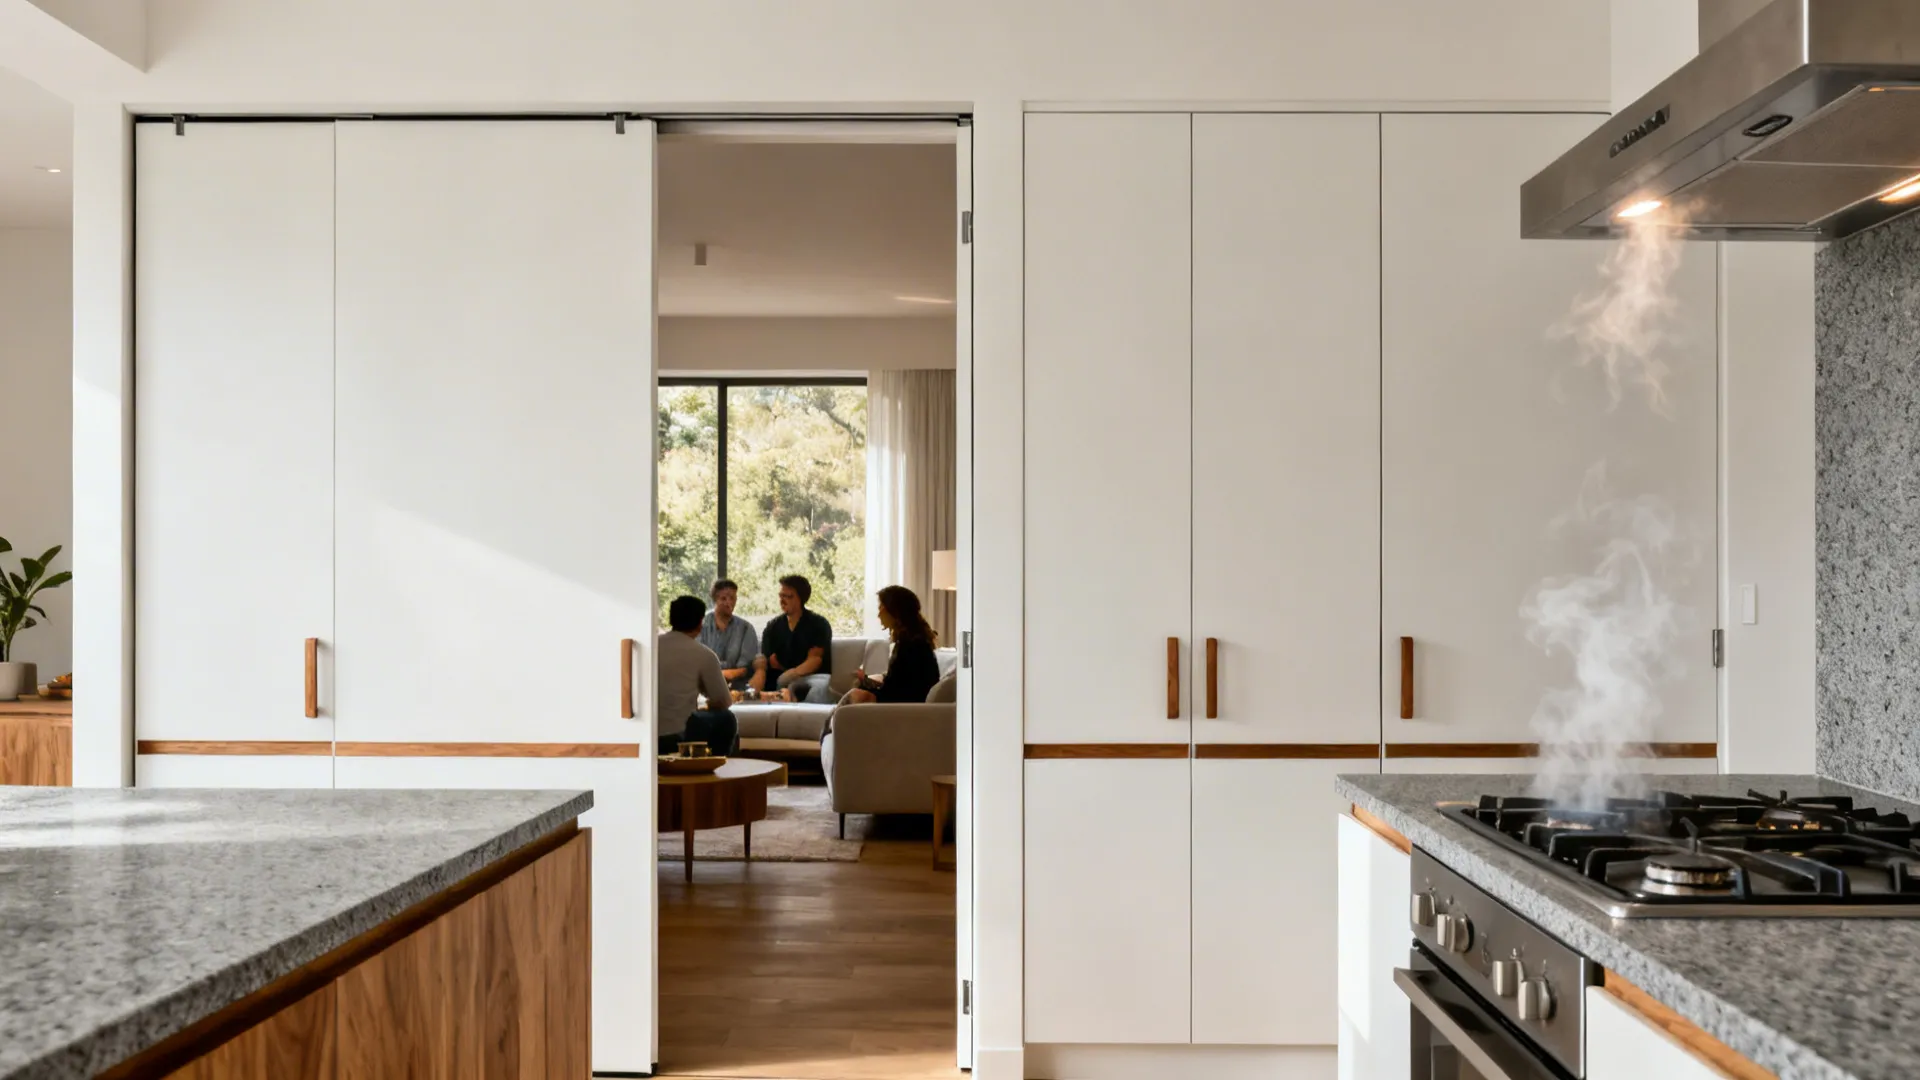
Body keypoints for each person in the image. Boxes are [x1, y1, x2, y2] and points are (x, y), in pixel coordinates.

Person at [657, 595, 739, 756]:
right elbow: (724, 701)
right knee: (726, 719)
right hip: (678, 736)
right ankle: (714, 769)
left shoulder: (652, 647)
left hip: (646, 731)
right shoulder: (703, 654)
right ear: (700, 622)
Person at [844, 585, 941, 705]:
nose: (878, 614)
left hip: (902, 707)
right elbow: (899, 682)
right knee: (860, 688)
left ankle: (831, 723)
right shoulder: (914, 641)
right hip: (904, 701)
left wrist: (866, 685)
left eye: (881, 607)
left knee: (855, 693)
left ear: (894, 611)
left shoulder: (910, 646)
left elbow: (894, 692)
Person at [750, 574, 834, 703]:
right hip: (778, 682)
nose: (782, 600)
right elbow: (771, 661)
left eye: (788, 596)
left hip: (811, 678)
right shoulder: (773, 626)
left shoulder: (819, 624)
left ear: (801, 599)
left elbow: (815, 660)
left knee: (819, 687)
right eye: (781, 596)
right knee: (776, 682)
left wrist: (792, 673)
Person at [698, 578, 759, 690]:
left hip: (736, 686)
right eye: (724, 598)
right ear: (715, 599)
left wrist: (725, 675)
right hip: (703, 684)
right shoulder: (700, 625)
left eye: (732, 598)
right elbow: (696, 661)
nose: (729, 602)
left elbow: (744, 669)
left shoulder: (746, 628)